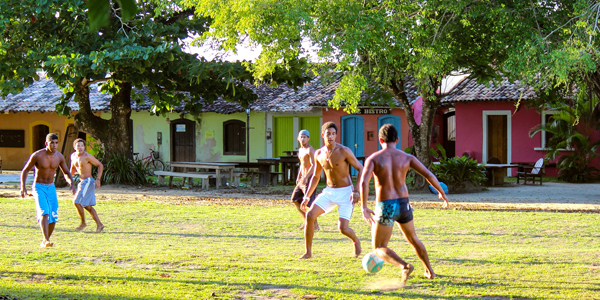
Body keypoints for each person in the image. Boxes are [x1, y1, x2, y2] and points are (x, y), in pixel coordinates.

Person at [359, 124, 449, 287]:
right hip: (404, 204)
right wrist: (441, 192)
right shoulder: (407, 158)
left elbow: (364, 182)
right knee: (413, 239)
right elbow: (429, 174)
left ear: (380, 140)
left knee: (379, 247)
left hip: (386, 206)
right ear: (397, 140)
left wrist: (364, 207)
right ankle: (429, 271)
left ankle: (404, 266)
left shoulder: (374, 158)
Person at [299, 122, 363, 259]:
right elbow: (316, 177)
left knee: (343, 228)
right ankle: (308, 252)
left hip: (346, 192)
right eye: (328, 134)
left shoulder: (344, 151)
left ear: (336, 135)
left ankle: (356, 241)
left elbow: (361, 168)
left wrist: (356, 190)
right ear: (323, 135)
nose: (331, 137)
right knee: (310, 215)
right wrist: (307, 196)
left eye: (333, 134)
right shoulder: (319, 154)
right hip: (329, 192)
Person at [21, 133, 76, 247]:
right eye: (52, 143)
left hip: (51, 187)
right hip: (39, 187)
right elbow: (25, 170)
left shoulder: (59, 157)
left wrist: (71, 182)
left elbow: (66, 172)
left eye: (56, 143)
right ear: (47, 143)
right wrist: (23, 187)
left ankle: (46, 240)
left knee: (53, 216)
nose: (54, 145)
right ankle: (45, 240)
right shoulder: (38, 155)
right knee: (44, 212)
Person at [70, 138, 105, 233]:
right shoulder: (73, 156)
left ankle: (83, 223)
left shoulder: (87, 156)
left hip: (88, 181)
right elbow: (72, 169)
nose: (80, 148)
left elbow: (100, 165)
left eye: (82, 146)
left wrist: (98, 179)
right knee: (86, 205)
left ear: (84, 147)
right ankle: (100, 224)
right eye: (78, 146)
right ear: (74, 147)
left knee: (76, 202)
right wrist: (70, 181)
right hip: (81, 182)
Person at [291, 130, 319, 230]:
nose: (303, 139)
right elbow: (301, 165)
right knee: (295, 199)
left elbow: (314, 165)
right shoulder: (300, 150)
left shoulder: (310, 150)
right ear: (298, 138)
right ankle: (306, 221)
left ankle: (315, 225)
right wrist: (299, 176)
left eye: (305, 137)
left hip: (309, 178)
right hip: (302, 179)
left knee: (308, 203)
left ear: (308, 138)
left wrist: (306, 177)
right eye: (301, 137)